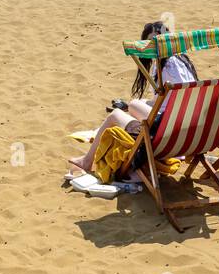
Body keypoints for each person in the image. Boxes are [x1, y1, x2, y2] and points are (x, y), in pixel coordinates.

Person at [66, 20, 198, 176]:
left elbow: (162, 105)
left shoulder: (166, 66)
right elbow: (168, 100)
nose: (153, 46)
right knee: (138, 104)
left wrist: (132, 106)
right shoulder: (182, 61)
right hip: (191, 133)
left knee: (118, 113)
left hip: (168, 134)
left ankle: (87, 161)